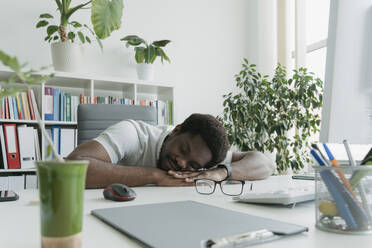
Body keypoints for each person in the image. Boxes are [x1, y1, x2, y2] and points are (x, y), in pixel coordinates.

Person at [67, 113, 275, 188]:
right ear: (176, 130)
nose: (182, 164)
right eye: (183, 149)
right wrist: (155, 176)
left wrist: (220, 172)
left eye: (194, 165)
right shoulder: (133, 133)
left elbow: (265, 163)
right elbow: (71, 168)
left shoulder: (207, 156)